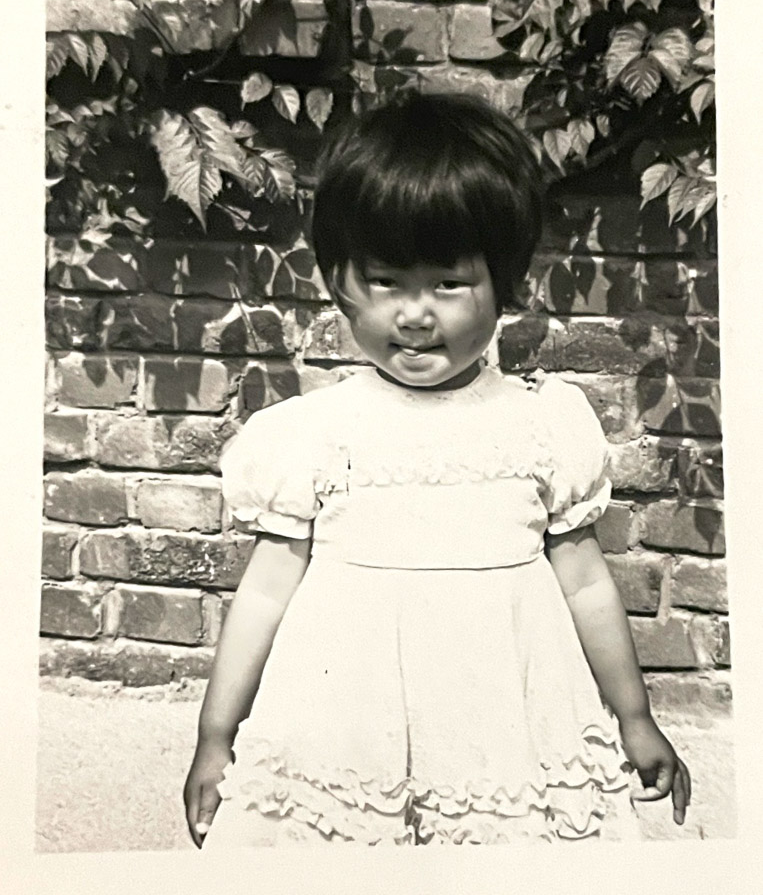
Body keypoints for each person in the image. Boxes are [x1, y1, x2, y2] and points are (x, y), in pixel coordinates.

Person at [183, 92, 691, 847]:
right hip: (347, 723)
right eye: (386, 281)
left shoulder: (541, 424)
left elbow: (584, 584)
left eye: (448, 284)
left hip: (502, 720)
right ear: (337, 283)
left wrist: (634, 717)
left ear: (504, 285)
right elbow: (263, 594)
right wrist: (215, 735)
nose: (415, 314)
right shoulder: (314, 434)